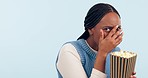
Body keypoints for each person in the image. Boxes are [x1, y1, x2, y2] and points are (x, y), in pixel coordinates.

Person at [56, 3, 136, 78]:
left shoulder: (116, 53)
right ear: (90, 29)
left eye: (117, 28)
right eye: (107, 29)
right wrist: (102, 53)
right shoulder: (69, 51)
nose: (113, 34)